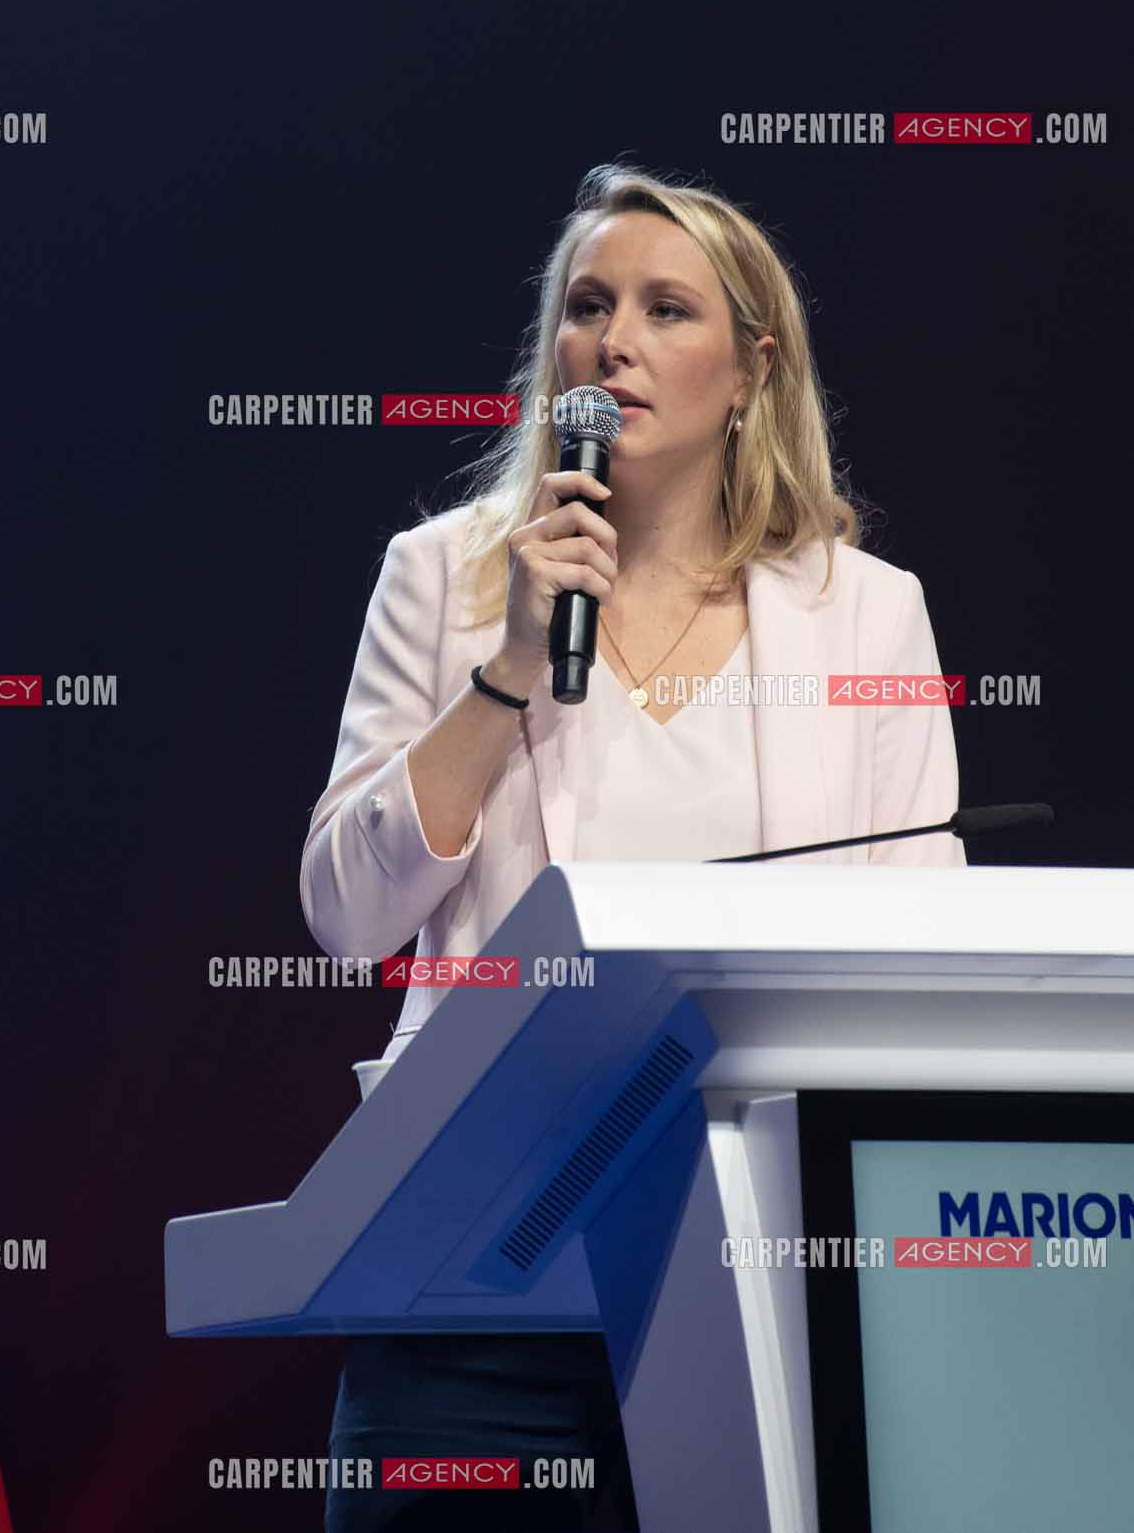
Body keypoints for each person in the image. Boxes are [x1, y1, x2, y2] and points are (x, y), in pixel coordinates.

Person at [301, 162, 964, 1529]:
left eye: (669, 309)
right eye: (588, 304)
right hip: (478, 1282)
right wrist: (508, 669)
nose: (616, 340)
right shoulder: (444, 578)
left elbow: (926, 961)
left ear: (751, 370)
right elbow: (346, 912)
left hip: (766, 1279)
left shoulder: (867, 616)